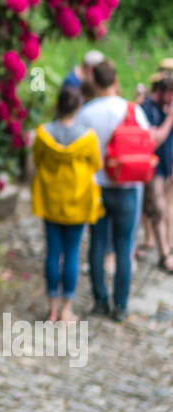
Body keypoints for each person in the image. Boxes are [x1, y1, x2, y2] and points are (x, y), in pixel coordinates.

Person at [75, 59, 173, 320]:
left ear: (94, 81)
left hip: (98, 187)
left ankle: (100, 300)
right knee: (124, 247)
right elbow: (149, 142)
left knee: (97, 244)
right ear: (116, 80)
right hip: (128, 187)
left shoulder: (87, 113)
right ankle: (121, 306)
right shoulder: (132, 110)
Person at [32, 83, 102, 323]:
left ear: (57, 105)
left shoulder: (43, 133)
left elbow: (37, 160)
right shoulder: (88, 137)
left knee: (53, 252)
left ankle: (51, 307)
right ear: (79, 107)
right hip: (77, 200)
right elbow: (96, 164)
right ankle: (66, 309)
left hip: (51, 199)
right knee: (72, 254)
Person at [140, 73, 173, 271]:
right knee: (157, 209)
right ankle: (164, 253)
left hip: (166, 167)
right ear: (161, 92)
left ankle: (165, 246)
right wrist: (170, 118)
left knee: (160, 208)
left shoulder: (164, 107)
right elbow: (156, 139)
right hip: (151, 168)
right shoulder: (148, 109)